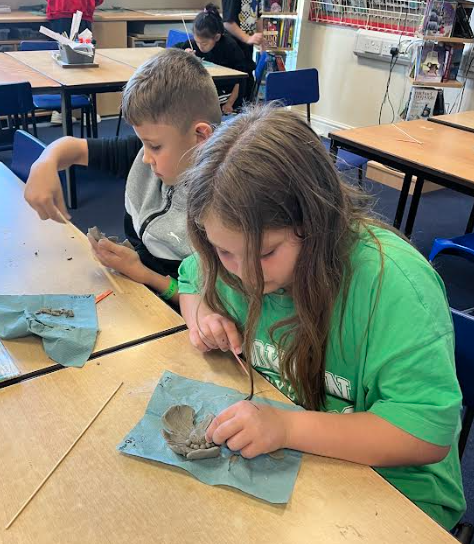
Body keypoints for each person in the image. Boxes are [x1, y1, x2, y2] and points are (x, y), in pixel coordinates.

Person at [178, 104, 466, 530]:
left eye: (266, 253)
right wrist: (201, 313)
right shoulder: (232, 261)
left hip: (396, 493)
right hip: (296, 463)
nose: (246, 276)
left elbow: (426, 433)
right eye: (224, 251)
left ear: (316, 220)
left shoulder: (393, 286)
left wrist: (287, 428)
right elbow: (190, 276)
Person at [24, 49, 222, 305]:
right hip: (137, 285)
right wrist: (45, 162)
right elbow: (71, 148)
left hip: (178, 307)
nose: (145, 157)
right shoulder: (145, 152)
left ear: (201, 137)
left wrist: (145, 275)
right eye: (143, 143)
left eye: (155, 146)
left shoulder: (225, 201)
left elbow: (211, 303)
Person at [175, 3, 248, 114]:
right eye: (197, 42)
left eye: (204, 43)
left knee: (193, 105)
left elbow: (241, 79)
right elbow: (173, 51)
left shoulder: (230, 47)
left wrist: (230, 103)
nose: (200, 46)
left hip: (226, 92)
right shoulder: (194, 43)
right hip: (206, 89)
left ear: (217, 37)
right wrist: (185, 54)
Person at [222, 0, 263, 100]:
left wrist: (261, 38)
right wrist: (247, 38)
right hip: (233, 50)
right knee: (238, 88)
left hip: (247, 51)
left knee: (248, 84)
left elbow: (258, 17)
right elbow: (228, 22)